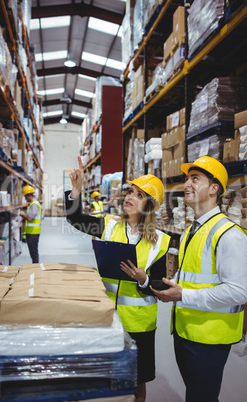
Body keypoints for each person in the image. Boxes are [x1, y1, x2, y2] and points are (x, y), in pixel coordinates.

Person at [65, 156, 171, 402]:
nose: (130, 197)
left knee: (138, 378)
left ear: (150, 205)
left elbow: (159, 284)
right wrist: (76, 190)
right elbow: (76, 219)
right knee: (109, 375)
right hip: (107, 316)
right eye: (130, 192)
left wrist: (144, 279)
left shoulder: (161, 242)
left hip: (140, 324)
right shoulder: (109, 224)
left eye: (139, 195)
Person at [151, 156, 247, 402]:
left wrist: (183, 294)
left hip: (210, 338)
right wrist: (173, 290)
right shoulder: (191, 230)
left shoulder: (228, 234)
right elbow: (193, 278)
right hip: (186, 331)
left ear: (214, 188)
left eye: (195, 178)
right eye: (187, 178)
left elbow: (239, 293)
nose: (187, 183)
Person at [20, 185, 42, 263]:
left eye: (25, 196)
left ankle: (35, 269)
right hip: (31, 232)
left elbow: (30, 218)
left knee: (34, 253)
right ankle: (35, 268)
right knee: (33, 253)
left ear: (29, 195)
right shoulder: (32, 204)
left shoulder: (34, 204)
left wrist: (23, 214)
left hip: (33, 233)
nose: (25, 198)